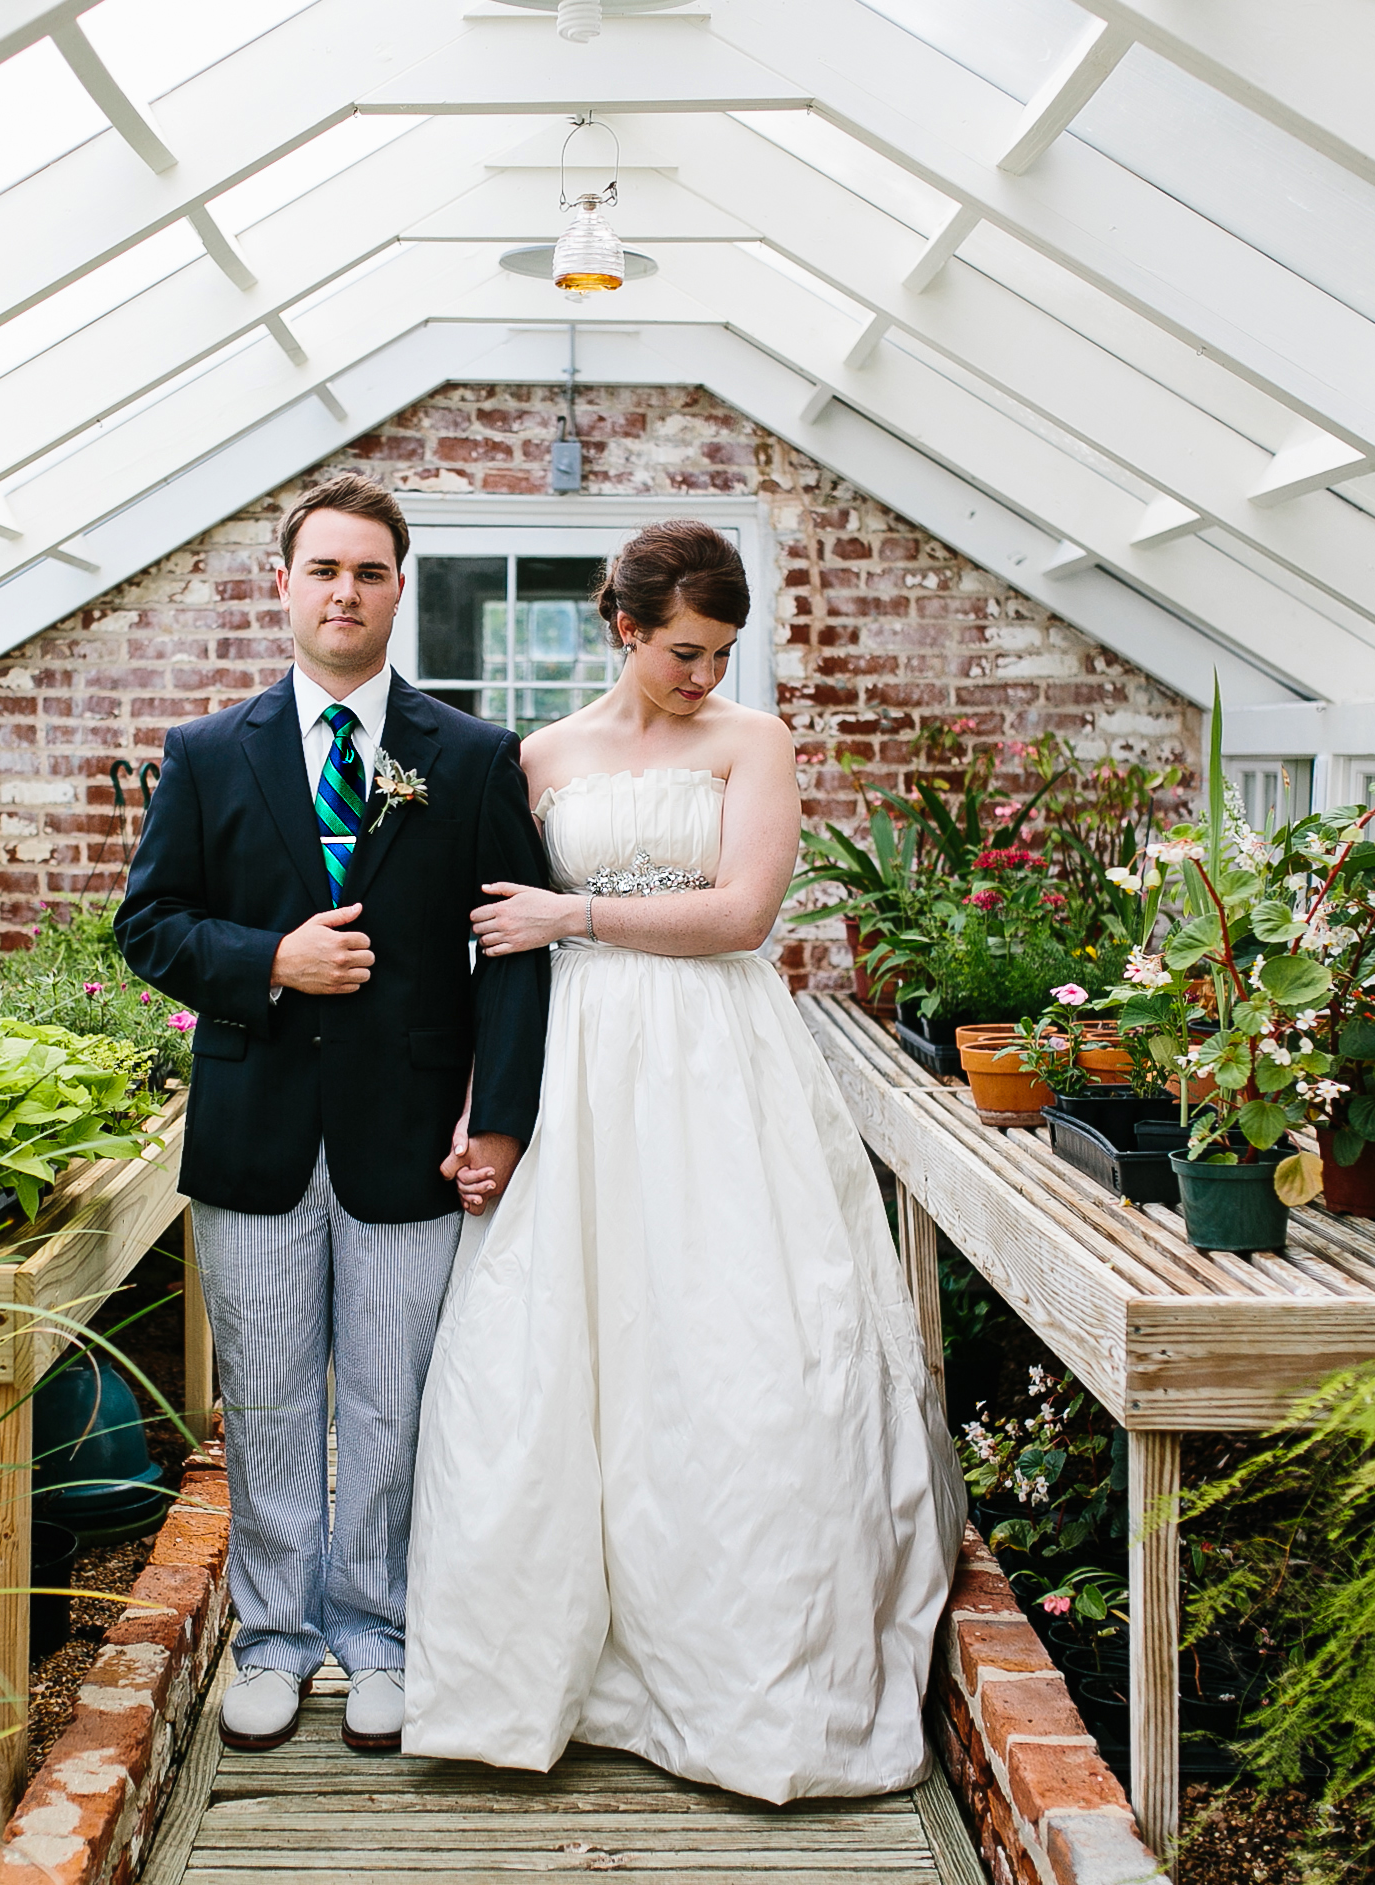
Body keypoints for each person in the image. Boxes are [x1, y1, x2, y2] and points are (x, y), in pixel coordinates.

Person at [401, 520, 962, 1803]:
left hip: (717, 1065)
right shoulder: (537, 758)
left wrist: (576, 910)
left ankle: (746, 1675)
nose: (706, 675)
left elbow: (743, 915)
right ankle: (544, 1675)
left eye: (722, 653)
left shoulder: (750, 744)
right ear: (624, 629)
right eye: (685, 652)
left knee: (739, 1345)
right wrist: (486, 1115)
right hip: (579, 1075)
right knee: (555, 1355)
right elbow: (502, 955)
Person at [117, 471, 554, 1756]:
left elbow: (517, 951)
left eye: (370, 572)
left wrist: (502, 1121)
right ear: (285, 585)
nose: (345, 592)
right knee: (261, 1398)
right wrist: (270, 962)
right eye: (325, 569)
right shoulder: (206, 753)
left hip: (409, 1133)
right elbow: (148, 924)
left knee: (388, 1398)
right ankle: (271, 1637)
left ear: (398, 590)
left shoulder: (470, 757)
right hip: (253, 1130)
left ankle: (376, 1633)